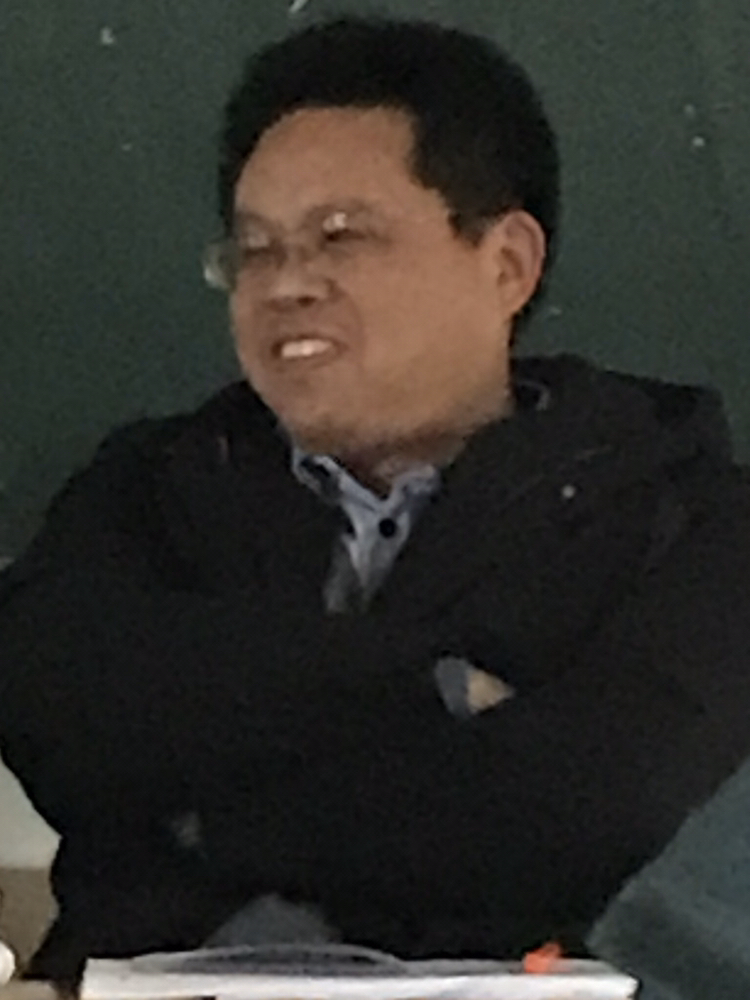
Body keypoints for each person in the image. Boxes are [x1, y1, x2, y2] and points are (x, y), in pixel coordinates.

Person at [1, 13, 750, 986]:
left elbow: (591, 812)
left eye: (340, 236)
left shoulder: (685, 511)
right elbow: (55, 722)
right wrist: (428, 683)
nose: (286, 284)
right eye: (254, 250)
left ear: (507, 263)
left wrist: (202, 821)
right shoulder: (150, 486)